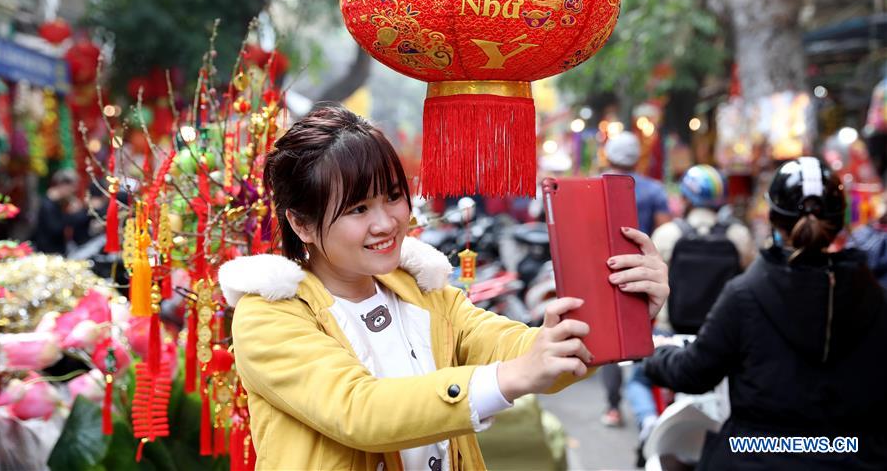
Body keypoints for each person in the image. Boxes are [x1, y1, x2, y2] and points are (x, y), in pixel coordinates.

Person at [219, 104, 670, 471]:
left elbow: (517, 346)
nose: (386, 222)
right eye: (358, 208)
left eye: (393, 196)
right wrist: (514, 376)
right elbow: (360, 411)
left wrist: (619, 308)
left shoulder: (422, 291)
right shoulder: (270, 314)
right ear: (301, 223)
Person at [644, 157, 887, 470]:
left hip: (754, 455)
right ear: (840, 221)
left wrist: (656, 354)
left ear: (773, 219)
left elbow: (693, 373)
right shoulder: (876, 299)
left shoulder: (745, 294)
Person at [627, 164, 755, 462]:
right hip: (722, 338)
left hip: (670, 334)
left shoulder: (667, 234)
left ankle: (647, 422)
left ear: (685, 197)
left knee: (639, 378)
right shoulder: (739, 236)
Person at [599, 130, 672, 427]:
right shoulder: (654, 190)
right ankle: (652, 402)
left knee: (609, 340)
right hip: (644, 273)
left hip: (607, 272)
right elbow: (664, 232)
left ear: (610, 156)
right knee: (644, 334)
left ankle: (613, 408)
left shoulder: (596, 186)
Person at [30, 168, 79, 255]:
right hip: (47, 252)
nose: (73, 192)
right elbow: (55, 228)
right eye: (72, 188)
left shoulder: (57, 203)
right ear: (63, 185)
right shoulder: (47, 205)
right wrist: (72, 215)